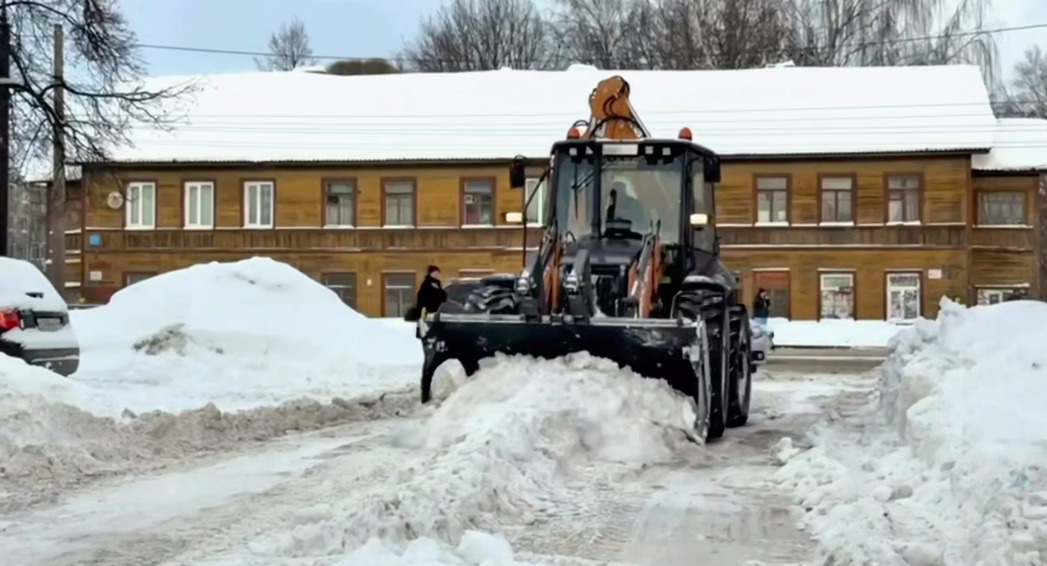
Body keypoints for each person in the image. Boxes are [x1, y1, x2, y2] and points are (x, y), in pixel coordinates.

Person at [409, 265, 447, 338]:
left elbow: (444, 297)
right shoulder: (426, 284)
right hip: (427, 310)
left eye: (438, 273)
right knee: (425, 326)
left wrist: (439, 290)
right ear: (430, 274)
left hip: (437, 311)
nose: (437, 275)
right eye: (435, 273)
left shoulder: (438, 284)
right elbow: (423, 298)